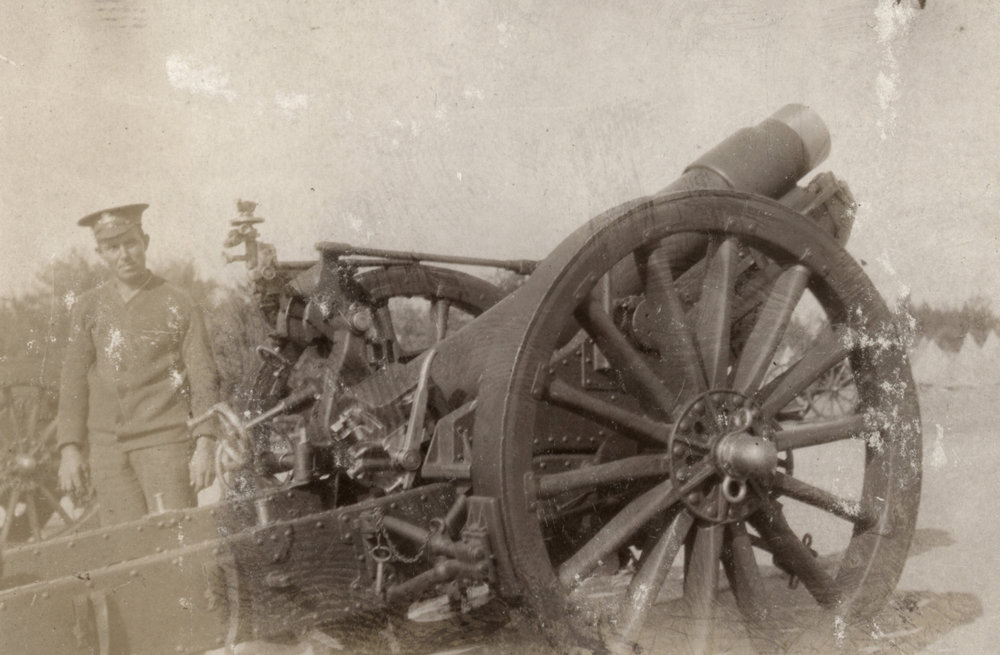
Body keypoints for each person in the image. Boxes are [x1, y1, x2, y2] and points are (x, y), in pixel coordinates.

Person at [56, 203, 219, 525]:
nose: (124, 255)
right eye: (112, 247)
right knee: (124, 548)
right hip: (108, 453)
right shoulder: (88, 308)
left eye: (130, 243)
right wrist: (69, 449)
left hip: (165, 447)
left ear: (145, 241)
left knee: (176, 541)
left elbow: (204, 378)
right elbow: (73, 381)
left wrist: (205, 443)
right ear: (100, 253)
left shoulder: (179, 302)